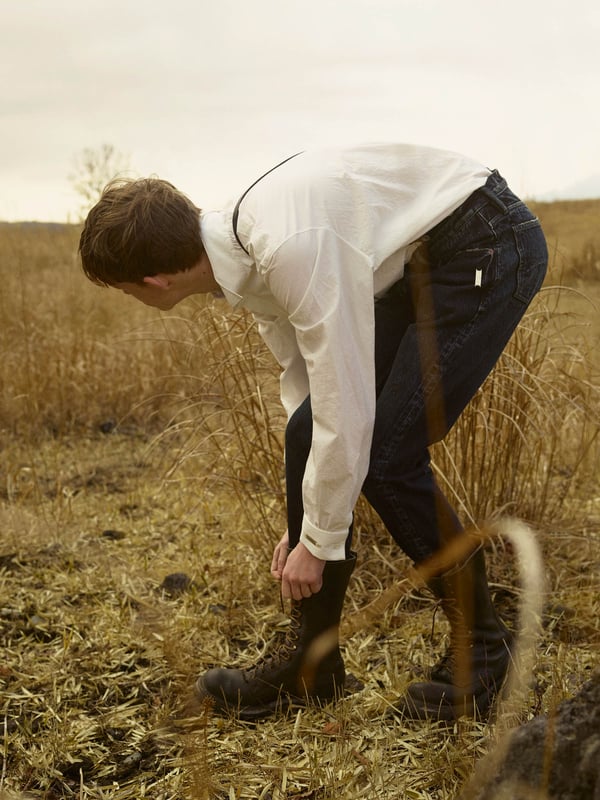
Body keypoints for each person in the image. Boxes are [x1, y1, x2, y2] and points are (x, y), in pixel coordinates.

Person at [79, 142, 548, 722]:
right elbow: (307, 386)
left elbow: (345, 403)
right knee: (308, 432)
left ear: (152, 281)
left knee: (386, 456)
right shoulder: (240, 250)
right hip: (422, 256)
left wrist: (321, 541)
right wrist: (308, 520)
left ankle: (484, 653)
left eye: (124, 289)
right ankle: (312, 666)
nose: (130, 298)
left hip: (484, 241)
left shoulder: (287, 247)